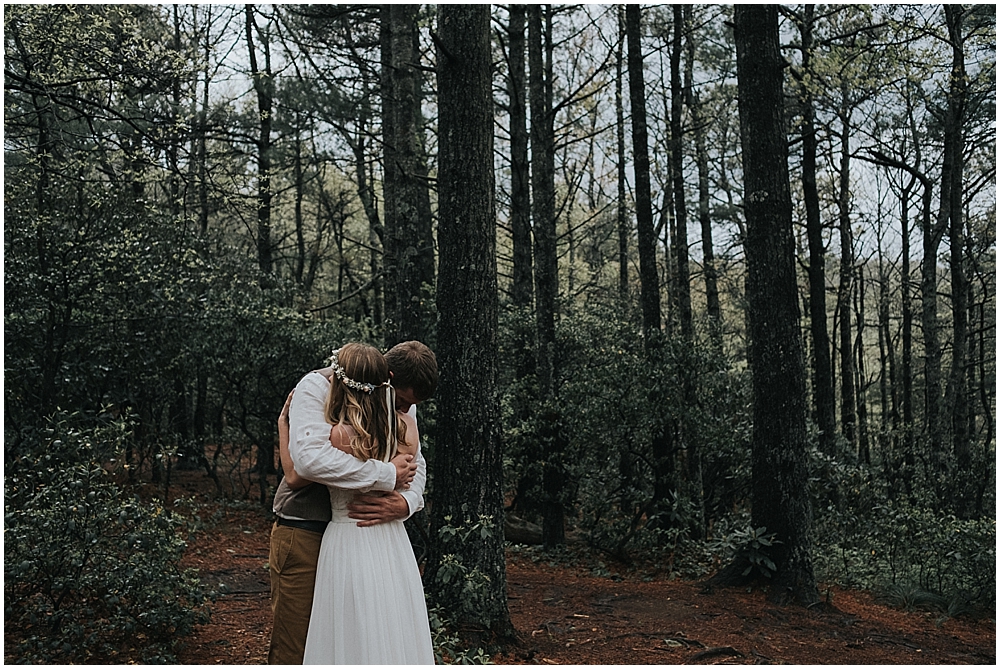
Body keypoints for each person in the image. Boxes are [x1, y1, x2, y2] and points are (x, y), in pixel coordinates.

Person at [267, 341, 437, 664]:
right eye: (402, 401)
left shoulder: (398, 404)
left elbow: (417, 464)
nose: (403, 411)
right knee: (297, 649)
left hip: (364, 537)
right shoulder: (316, 387)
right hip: (303, 531)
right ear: (384, 379)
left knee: (364, 638)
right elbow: (308, 462)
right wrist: (386, 475)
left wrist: (406, 504)